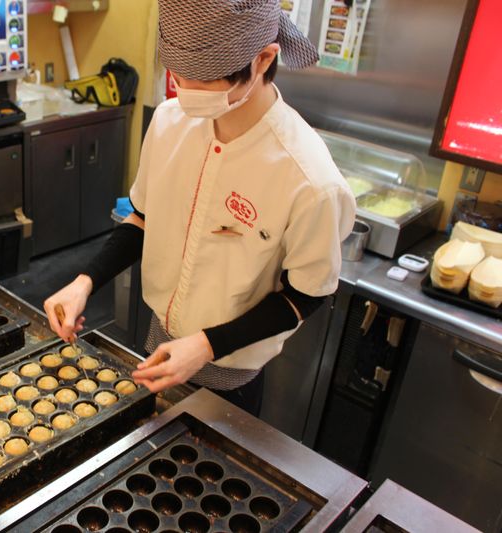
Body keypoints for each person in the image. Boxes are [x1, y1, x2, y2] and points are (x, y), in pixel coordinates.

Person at [44, 0, 356, 416]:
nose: (185, 91)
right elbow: (143, 219)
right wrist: (84, 282)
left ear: (263, 59)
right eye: (178, 74)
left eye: (205, 79)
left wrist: (206, 345)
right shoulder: (170, 123)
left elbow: (304, 297)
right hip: (158, 341)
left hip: (231, 374)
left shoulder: (309, 180)